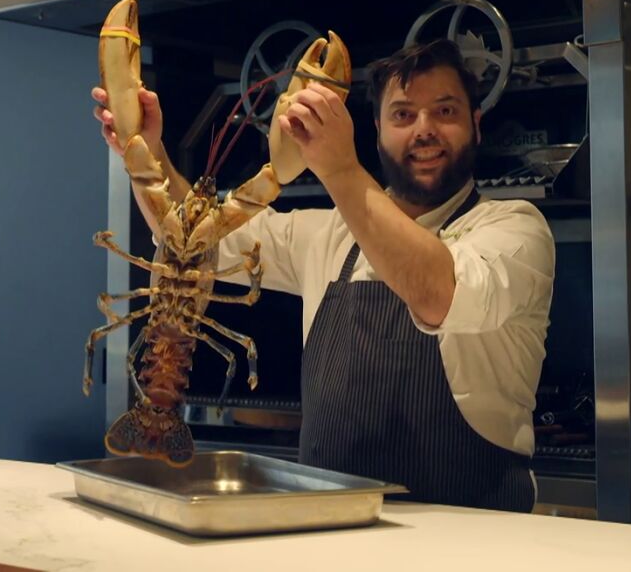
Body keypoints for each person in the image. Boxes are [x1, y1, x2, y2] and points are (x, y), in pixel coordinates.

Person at [91, 39, 554, 512]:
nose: (424, 130)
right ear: (377, 130)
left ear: (476, 123)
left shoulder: (513, 228)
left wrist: (339, 168)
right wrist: (147, 152)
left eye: (445, 111)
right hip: (329, 529)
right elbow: (193, 241)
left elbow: (441, 295)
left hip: (470, 540)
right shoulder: (330, 235)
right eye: (403, 115)